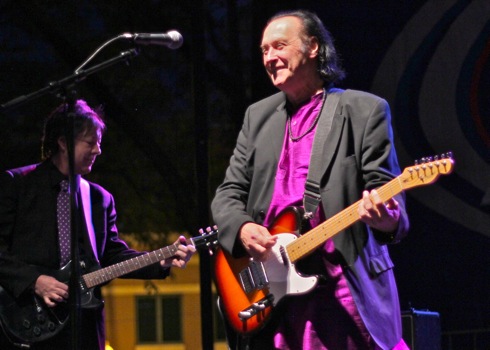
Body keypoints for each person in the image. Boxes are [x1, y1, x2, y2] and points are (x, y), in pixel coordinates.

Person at [211, 9, 409, 350]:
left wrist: (387, 216)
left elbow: (386, 193)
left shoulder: (365, 110)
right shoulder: (257, 117)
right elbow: (228, 193)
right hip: (274, 292)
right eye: (264, 50)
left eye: (279, 46)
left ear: (313, 47)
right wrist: (242, 227)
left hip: (343, 291)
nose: (270, 57)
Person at [0, 99, 196, 349]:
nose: (98, 151)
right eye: (90, 143)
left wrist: (160, 260)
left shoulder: (100, 198)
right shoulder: (17, 185)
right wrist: (34, 281)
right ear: (63, 142)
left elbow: (110, 256)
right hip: (26, 322)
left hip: (84, 325)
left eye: (99, 143)